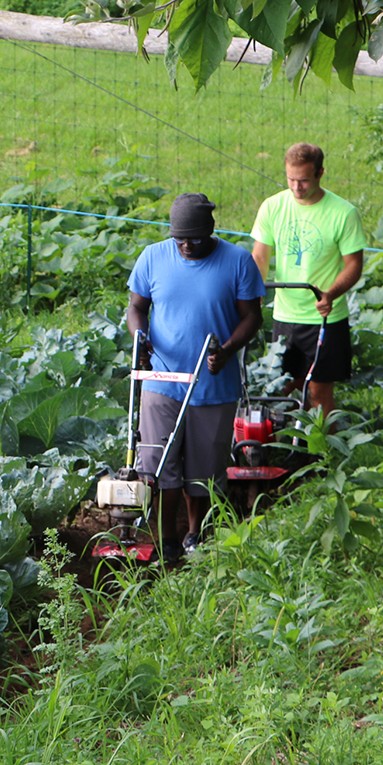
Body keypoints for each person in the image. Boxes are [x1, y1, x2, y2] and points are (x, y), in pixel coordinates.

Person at [127, 193, 264, 555]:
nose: (187, 246)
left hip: (214, 385)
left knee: (204, 468)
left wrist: (228, 349)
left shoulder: (237, 261)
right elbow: (137, 307)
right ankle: (166, 538)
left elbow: (252, 317)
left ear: (211, 232)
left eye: (196, 239)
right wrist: (140, 340)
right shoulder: (153, 257)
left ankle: (194, 534)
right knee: (158, 462)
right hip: (162, 379)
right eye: (180, 239)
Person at [250, 143, 366, 415]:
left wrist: (330, 294)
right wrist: (251, 295)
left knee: (318, 392)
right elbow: (259, 259)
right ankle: (282, 449)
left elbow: (354, 266)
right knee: (282, 387)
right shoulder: (272, 207)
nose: (296, 187)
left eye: (303, 180)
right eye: (290, 179)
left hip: (324, 317)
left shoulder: (343, 213)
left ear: (320, 174)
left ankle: (322, 454)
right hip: (285, 315)